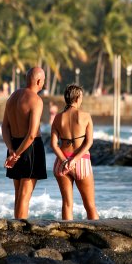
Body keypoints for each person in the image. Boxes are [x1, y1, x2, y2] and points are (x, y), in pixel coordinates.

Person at [1, 67, 47, 219]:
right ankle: (20, 230)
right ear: (39, 81)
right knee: (25, 195)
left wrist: (11, 150)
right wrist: (18, 154)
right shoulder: (36, 100)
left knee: (18, 193)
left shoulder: (12, 97)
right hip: (29, 149)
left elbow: (5, 127)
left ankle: (16, 225)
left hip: (13, 145)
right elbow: (32, 134)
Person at [51, 84, 99, 220]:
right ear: (77, 98)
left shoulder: (58, 118)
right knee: (90, 205)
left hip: (61, 163)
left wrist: (65, 160)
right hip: (81, 161)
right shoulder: (85, 116)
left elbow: (53, 144)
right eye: (81, 97)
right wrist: (75, 160)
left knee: (67, 204)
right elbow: (89, 142)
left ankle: (67, 236)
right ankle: (97, 237)